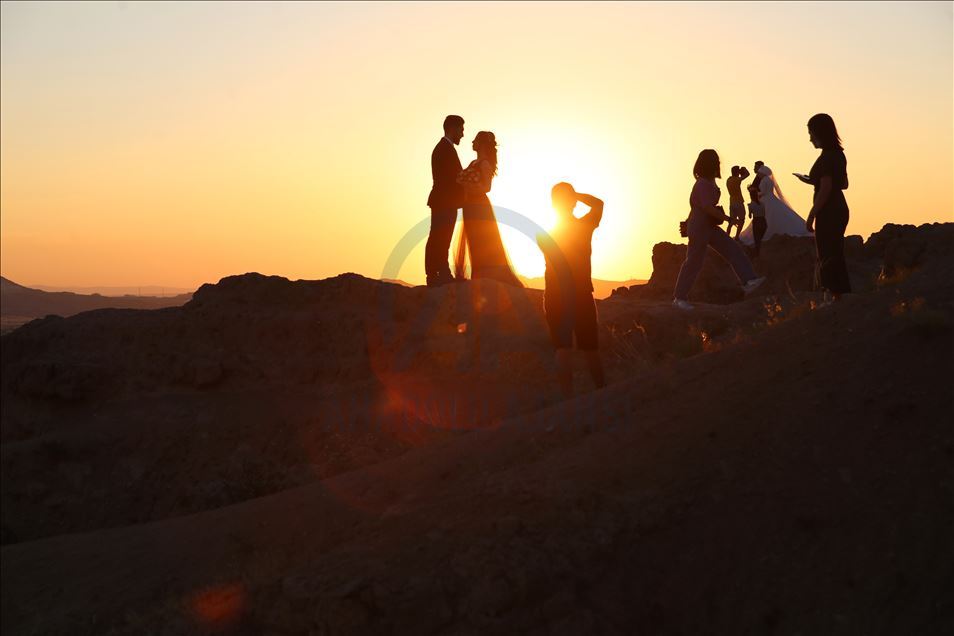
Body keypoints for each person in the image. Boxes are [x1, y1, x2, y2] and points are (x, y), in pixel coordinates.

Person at [672, 149, 766, 310]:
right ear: (711, 164)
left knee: (732, 249)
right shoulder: (702, 183)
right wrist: (727, 219)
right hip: (701, 225)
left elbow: (698, 206)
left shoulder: (708, 182)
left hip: (707, 224)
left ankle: (748, 280)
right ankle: (679, 298)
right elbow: (707, 207)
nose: (719, 164)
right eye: (716, 161)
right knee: (694, 261)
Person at [536, 183, 605, 397]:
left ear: (552, 204)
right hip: (581, 293)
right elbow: (598, 204)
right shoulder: (584, 226)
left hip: (556, 296)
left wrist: (567, 197)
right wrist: (575, 195)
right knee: (590, 348)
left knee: (562, 348)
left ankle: (568, 400)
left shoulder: (543, 235)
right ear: (573, 202)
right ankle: (603, 393)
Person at [452, 131, 523, 287]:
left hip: (480, 206)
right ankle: (478, 273)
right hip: (470, 205)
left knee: (483, 240)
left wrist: (470, 187)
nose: (472, 142)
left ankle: (490, 276)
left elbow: (487, 187)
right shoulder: (473, 163)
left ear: (482, 144)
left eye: (475, 140)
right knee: (473, 239)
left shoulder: (484, 163)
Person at [796, 113, 851, 303]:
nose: (810, 138)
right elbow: (843, 184)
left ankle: (833, 296)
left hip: (830, 210)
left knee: (828, 253)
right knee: (834, 251)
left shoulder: (828, 157)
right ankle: (837, 296)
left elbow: (826, 188)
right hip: (839, 207)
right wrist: (813, 180)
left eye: (811, 133)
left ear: (820, 133)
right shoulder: (838, 154)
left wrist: (812, 214)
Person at [425, 115, 466, 287]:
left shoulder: (445, 148)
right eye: (461, 130)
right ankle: (436, 274)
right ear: (453, 128)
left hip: (445, 201)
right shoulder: (444, 149)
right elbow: (451, 179)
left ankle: (439, 272)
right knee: (439, 237)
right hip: (444, 200)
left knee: (442, 237)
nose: (462, 134)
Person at [739, 165, 812, 245]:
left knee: (767, 216)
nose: (758, 174)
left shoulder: (764, 180)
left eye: (759, 173)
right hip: (771, 197)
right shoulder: (769, 180)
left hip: (766, 199)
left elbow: (763, 192)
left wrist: (754, 192)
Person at [746, 160, 768, 256]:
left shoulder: (761, 178)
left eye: (755, 167)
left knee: (757, 235)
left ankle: (757, 251)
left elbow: (759, 189)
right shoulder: (764, 178)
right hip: (760, 212)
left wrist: (752, 190)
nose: (754, 168)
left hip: (760, 203)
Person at [725, 166, 748, 240]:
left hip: (732, 202)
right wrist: (743, 169)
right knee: (742, 220)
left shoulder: (728, 180)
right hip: (739, 202)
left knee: (731, 221)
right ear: (737, 173)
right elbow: (747, 174)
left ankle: (727, 236)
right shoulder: (737, 180)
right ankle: (737, 237)